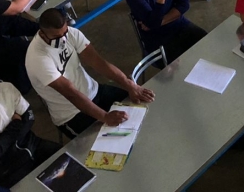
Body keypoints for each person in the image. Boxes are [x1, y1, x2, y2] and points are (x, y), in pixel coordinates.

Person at [25, 9, 155, 139]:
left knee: (141, 108)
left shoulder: (71, 33)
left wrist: (129, 85)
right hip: (71, 114)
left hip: (94, 91)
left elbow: (98, 63)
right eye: (56, 37)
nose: (63, 39)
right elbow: (70, 93)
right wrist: (105, 116)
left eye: (64, 32)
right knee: (114, 141)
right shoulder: (37, 58)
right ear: (42, 33)